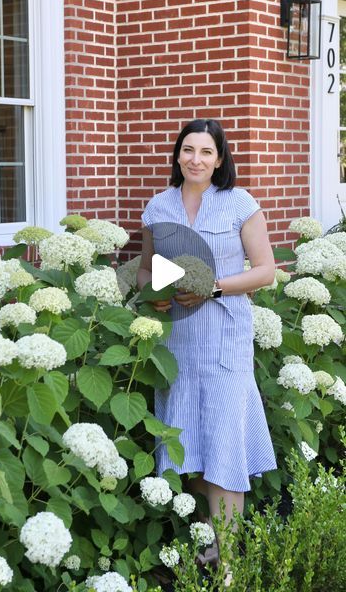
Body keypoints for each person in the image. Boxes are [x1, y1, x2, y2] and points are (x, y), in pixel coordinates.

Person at [136, 119, 277, 579]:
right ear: (178, 155)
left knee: (224, 449)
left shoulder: (239, 203)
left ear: (220, 159)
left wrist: (213, 287)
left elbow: (265, 272)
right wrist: (152, 294)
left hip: (224, 346)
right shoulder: (158, 206)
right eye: (188, 150)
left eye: (206, 152)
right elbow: (145, 272)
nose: (195, 159)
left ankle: (231, 563)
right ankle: (209, 548)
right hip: (178, 345)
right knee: (191, 449)